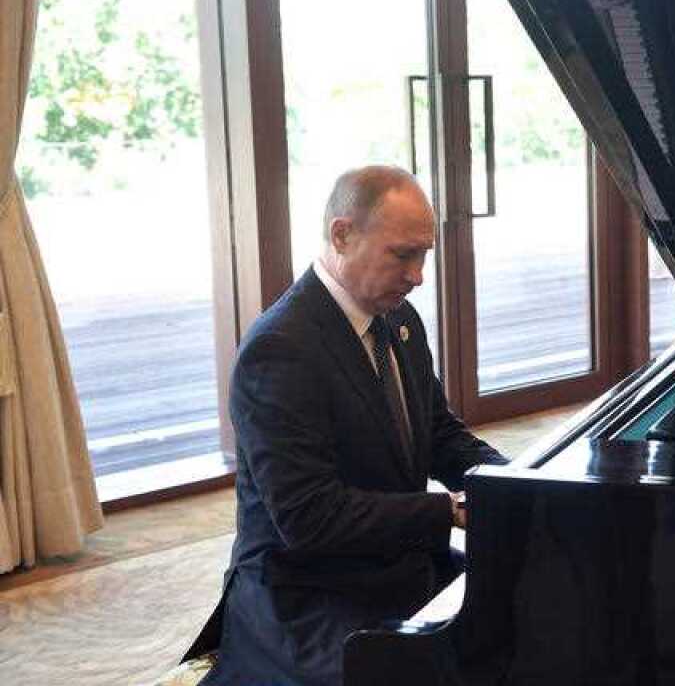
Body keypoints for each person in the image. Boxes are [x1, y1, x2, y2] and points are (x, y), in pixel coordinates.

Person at [188, 165, 507, 685]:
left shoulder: (399, 320)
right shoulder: (281, 349)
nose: (418, 274)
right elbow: (310, 518)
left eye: (424, 254)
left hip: (397, 562)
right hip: (309, 590)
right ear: (342, 234)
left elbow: (438, 435)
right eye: (403, 254)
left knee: (527, 609)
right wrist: (445, 510)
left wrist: (514, 480)